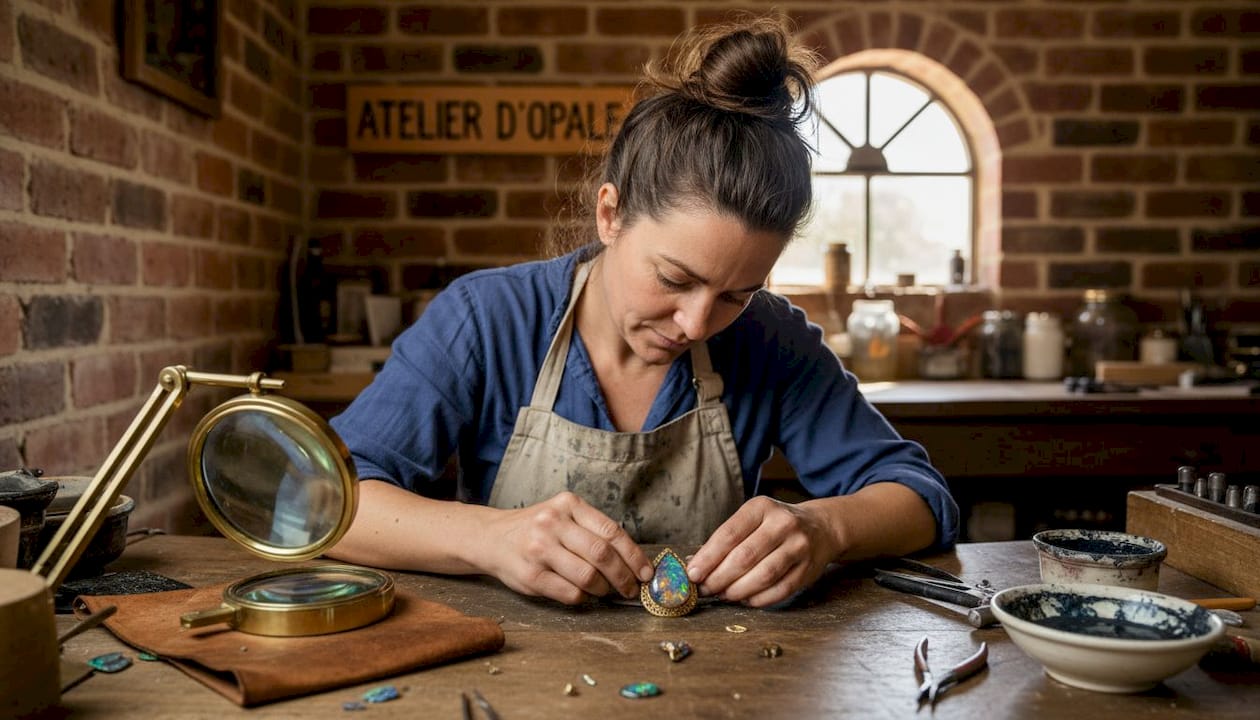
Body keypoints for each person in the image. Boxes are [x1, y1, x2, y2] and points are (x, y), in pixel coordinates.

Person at [327, 18, 958, 609]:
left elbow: (922, 498)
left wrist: (825, 527)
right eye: (674, 278)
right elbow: (329, 503)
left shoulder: (772, 340)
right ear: (610, 214)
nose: (695, 323)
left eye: (737, 293)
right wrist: (488, 538)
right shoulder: (486, 319)